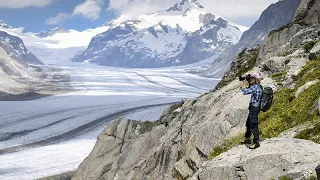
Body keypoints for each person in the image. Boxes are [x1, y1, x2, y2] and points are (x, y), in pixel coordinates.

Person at [240, 73, 263, 149]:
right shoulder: (259, 86)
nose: (250, 80)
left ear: (256, 79)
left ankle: (256, 142)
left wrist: (243, 84)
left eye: (252, 79)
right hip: (254, 107)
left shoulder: (255, 87)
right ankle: (247, 139)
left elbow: (245, 92)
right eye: (250, 79)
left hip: (254, 108)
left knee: (253, 124)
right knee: (248, 123)